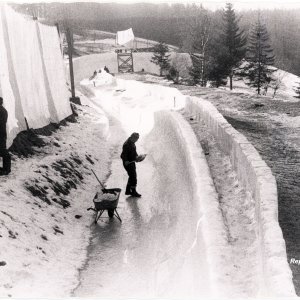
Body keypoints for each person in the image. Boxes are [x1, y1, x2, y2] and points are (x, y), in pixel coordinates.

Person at [120, 132, 142, 197]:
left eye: (137, 139)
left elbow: (134, 152)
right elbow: (124, 154)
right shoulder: (126, 144)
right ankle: (133, 191)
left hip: (132, 161)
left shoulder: (132, 143)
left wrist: (137, 157)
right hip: (128, 163)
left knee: (131, 176)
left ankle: (128, 191)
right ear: (132, 137)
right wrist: (126, 161)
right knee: (133, 177)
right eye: (136, 139)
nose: (136, 140)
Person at [0, 97, 11, 175]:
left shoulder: (1, 111)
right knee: (2, 149)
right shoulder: (4, 110)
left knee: (2, 150)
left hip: (0, 133)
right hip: (2, 132)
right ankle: (6, 168)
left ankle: (6, 169)